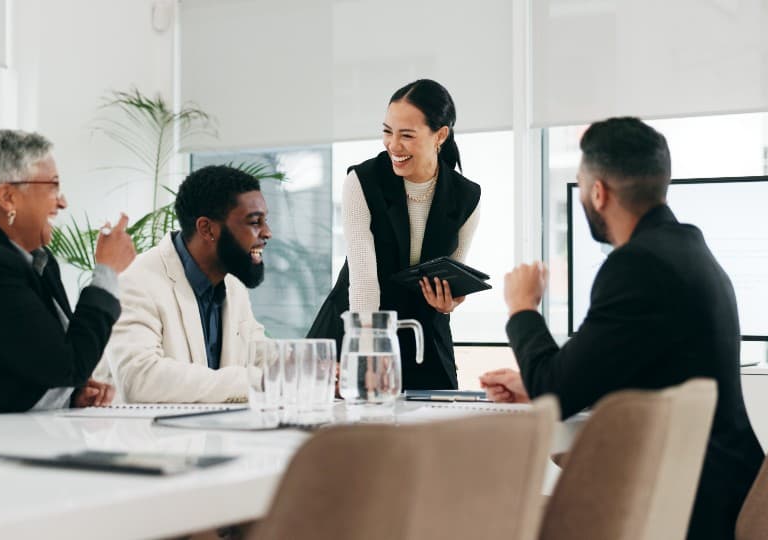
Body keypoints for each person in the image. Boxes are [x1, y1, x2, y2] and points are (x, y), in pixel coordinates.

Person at [479, 117, 763, 539]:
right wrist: (533, 380)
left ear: (598, 192)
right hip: (723, 486)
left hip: (688, 504)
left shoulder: (636, 265)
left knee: (495, 514)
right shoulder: (689, 249)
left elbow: (555, 392)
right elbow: (629, 367)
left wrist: (522, 308)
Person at [0, 129, 136, 417]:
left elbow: (42, 365)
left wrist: (67, 396)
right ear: (8, 197)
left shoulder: (38, 262)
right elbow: (67, 366)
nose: (62, 202)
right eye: (53, 187)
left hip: (11, 433)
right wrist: (106, 271)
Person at [308, 79, 481, 390]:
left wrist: (448, 302)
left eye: (407, 135)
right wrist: (366, 356)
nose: (393, 145)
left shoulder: (466, 197)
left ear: (440, 135)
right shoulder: (362, 181)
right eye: (387, 132)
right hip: (356, 326)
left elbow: (452, 275)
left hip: (422, 334)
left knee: (429, 432)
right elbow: (363, 281)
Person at [96, 165, 271, 403]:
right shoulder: (135, 281)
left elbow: (259, 353)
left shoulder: (232, 285)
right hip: (145, 437)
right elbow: (140, 379)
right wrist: (253, 381)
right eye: (254, 222)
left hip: (214, 435)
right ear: (207, 229)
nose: (267, 232)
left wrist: (310, 367)